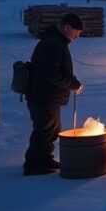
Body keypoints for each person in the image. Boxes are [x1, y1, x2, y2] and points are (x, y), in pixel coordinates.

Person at [23, 12, 85, 175]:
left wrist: (73, 81)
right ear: (67, 27)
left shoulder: (56, 42)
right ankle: (33, 164)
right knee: (43, 129)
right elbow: (51, 72)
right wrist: (72, 83)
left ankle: (45, 158)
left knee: (52, 129)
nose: (77, 37)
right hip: (43, 96)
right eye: (77, 33)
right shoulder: (53, 44)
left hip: (48, 96)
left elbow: (59, 69)